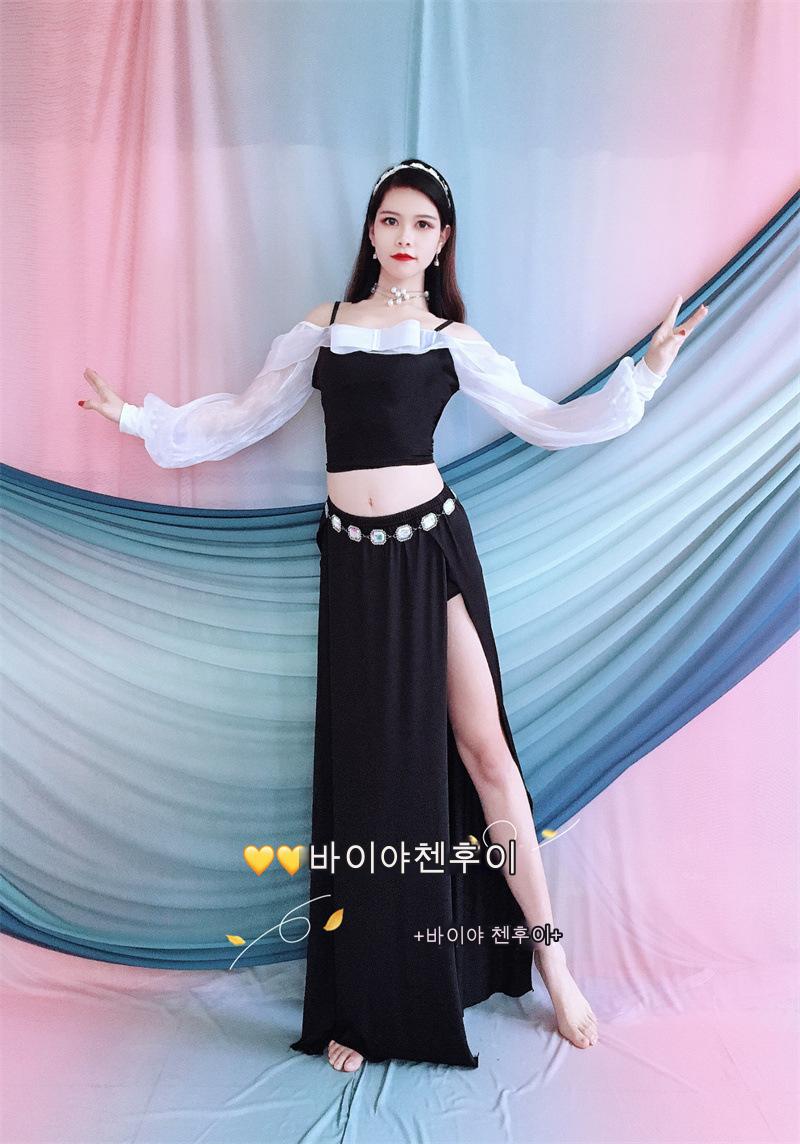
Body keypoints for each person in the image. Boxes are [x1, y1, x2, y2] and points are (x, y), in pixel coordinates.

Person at [79, 158, 708, 1073]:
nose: (405, 236)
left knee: (486, 757)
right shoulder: (324, 329)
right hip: (355, 567)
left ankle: (555, 963)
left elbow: (547, 420)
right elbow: (243, 418)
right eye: (391, 220)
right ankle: (366, 1001)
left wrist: (643, 377)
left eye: (422, 224)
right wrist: (136, 419)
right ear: (371, 232)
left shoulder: (453, 340)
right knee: (369, 779)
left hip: (433, 553)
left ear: (441, 241)